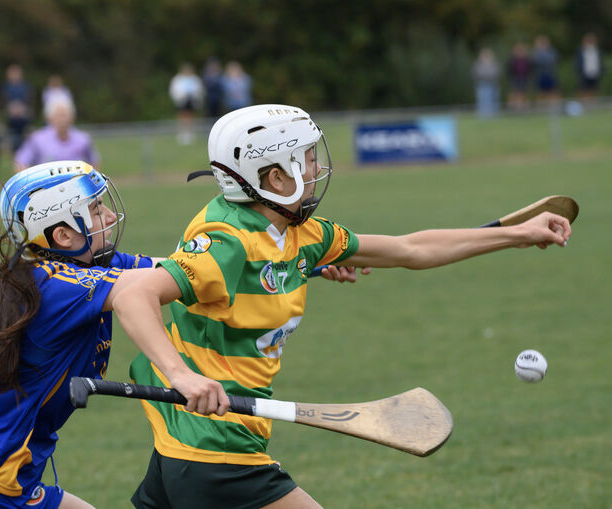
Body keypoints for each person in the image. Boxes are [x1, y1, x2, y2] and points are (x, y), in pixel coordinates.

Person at [123, 104, 572, 509]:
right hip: (216, 452)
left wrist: (519, 234)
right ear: (275, 178)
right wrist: (181, 375)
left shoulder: (301, 235)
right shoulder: (227, 240)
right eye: (306, 157)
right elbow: (134, 295)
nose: (317, 166)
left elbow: (410, 249)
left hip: (185, 448)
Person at [0, 160, 229, 509]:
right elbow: (137, 294)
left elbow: (180, 272)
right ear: (63, 235)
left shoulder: (89, 265)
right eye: (97, 209)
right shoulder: (52, 285)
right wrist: (181, 376)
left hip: (1, 473)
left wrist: (266, 257)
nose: (112, 216)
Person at [14, 95, 101, 171]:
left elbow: (94, 162)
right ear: (49, 118)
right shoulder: (37, 139)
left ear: (72, 117)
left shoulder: (83, 139)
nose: (63, 119)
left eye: (65, 115)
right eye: (59, 115)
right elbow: (21, 162)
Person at [2, 64, 34, 154]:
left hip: (24, 113)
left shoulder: (26, 86)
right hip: (11, 114)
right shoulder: (6, 87)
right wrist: (12, 108)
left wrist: (22, 108)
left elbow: (29, 100)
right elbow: (4, 102)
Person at [169, 63, 204, 145]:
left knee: (191, 116)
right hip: (181, 100)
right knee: (182, 116)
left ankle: (190, 134)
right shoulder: (177, 79)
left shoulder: (195, 79)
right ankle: (182, 134)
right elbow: (174, 91)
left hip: (192, 101)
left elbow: (199, 90)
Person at [472, 48, 501, 117]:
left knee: (493, 99)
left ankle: (494, 114)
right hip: (482, 84)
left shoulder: (494, 64)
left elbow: (497, 72)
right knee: (482, 99)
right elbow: (477, 73)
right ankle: (483, 115)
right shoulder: (478, 64)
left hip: (493, 84)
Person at [531, 35, 560, 105]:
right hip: (540, 75)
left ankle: (553, 106)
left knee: (553, 91)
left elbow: (554, 59)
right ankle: (541, 107)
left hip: (550, 74)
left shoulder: (551, 51)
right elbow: (535, 61)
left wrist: (547, 49)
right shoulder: (535, 52)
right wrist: (538, 50)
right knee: (540, 93)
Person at [576, 32, 603, 101]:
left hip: (595, 73)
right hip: (585, 73)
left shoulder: (597, 50)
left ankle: (594, 104)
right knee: (584, 90)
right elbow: (578, 62)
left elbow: (600, 62)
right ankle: (586, 104)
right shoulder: (581, 50)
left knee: (595, 89)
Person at [507, 42, 532, 110]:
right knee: (514, 94)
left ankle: (524, 108)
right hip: (515, 79)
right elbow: (509, 70)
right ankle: (514, 109)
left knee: (524, 94)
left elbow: (530, 69)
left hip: (524, 79)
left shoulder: (527, 60)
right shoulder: (512, 60)